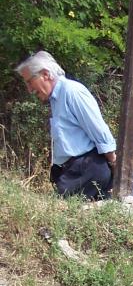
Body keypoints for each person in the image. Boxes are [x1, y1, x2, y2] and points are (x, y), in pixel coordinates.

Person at [15, 51, 116, 199]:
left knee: (54, 213)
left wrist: (114, 162)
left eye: (29, 82)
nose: (29, 90)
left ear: (45, 74)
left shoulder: (72, 91)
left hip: (88, 169)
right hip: (76, 171)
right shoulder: (56, 98)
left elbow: (98, 129)